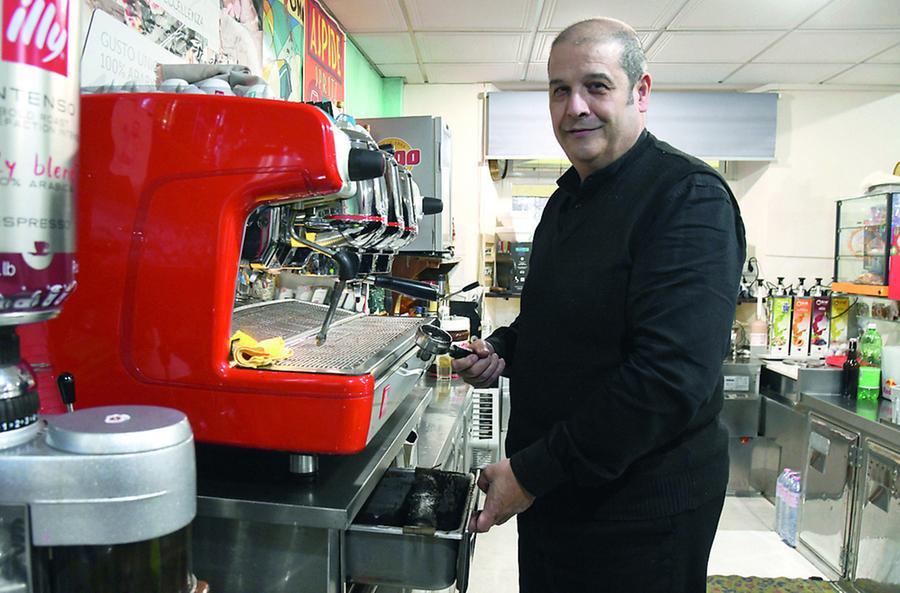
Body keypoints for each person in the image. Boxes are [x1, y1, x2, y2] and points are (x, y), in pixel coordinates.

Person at [453, 17, 746, 593]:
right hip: (562, 493)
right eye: (560, 90)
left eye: (596, 86)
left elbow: (668, 378)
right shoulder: (568, 199)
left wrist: (531, 474)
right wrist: (503, 349)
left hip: (639, 515)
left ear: (640, 92)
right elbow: (555, 320)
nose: (576, 106)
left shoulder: (687, 198)